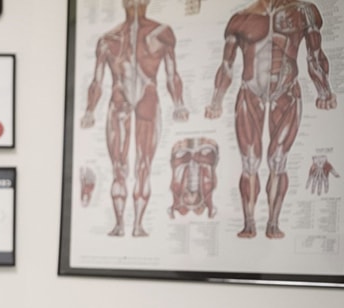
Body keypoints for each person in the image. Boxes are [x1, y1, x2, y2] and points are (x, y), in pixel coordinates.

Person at [205, 0, 336, 238]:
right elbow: (227, 65)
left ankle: (273, 223)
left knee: (278, 160)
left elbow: (315, 55)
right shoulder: (241, 18)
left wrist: (324, 92)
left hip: (286, 91)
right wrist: (215, 102)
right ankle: (249, 224)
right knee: (250, 163)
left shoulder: (304, 11)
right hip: (249, 92)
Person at [79, 0, 189, 237]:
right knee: (119, 167)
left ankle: (138, 225)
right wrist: (90, 110)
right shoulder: (108, 39)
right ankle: (120, 224)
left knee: (143, 166)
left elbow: (172, 73)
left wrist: (179, 104)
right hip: (119, 100)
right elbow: (97, 81)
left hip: (148, 98)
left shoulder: (162, 33)